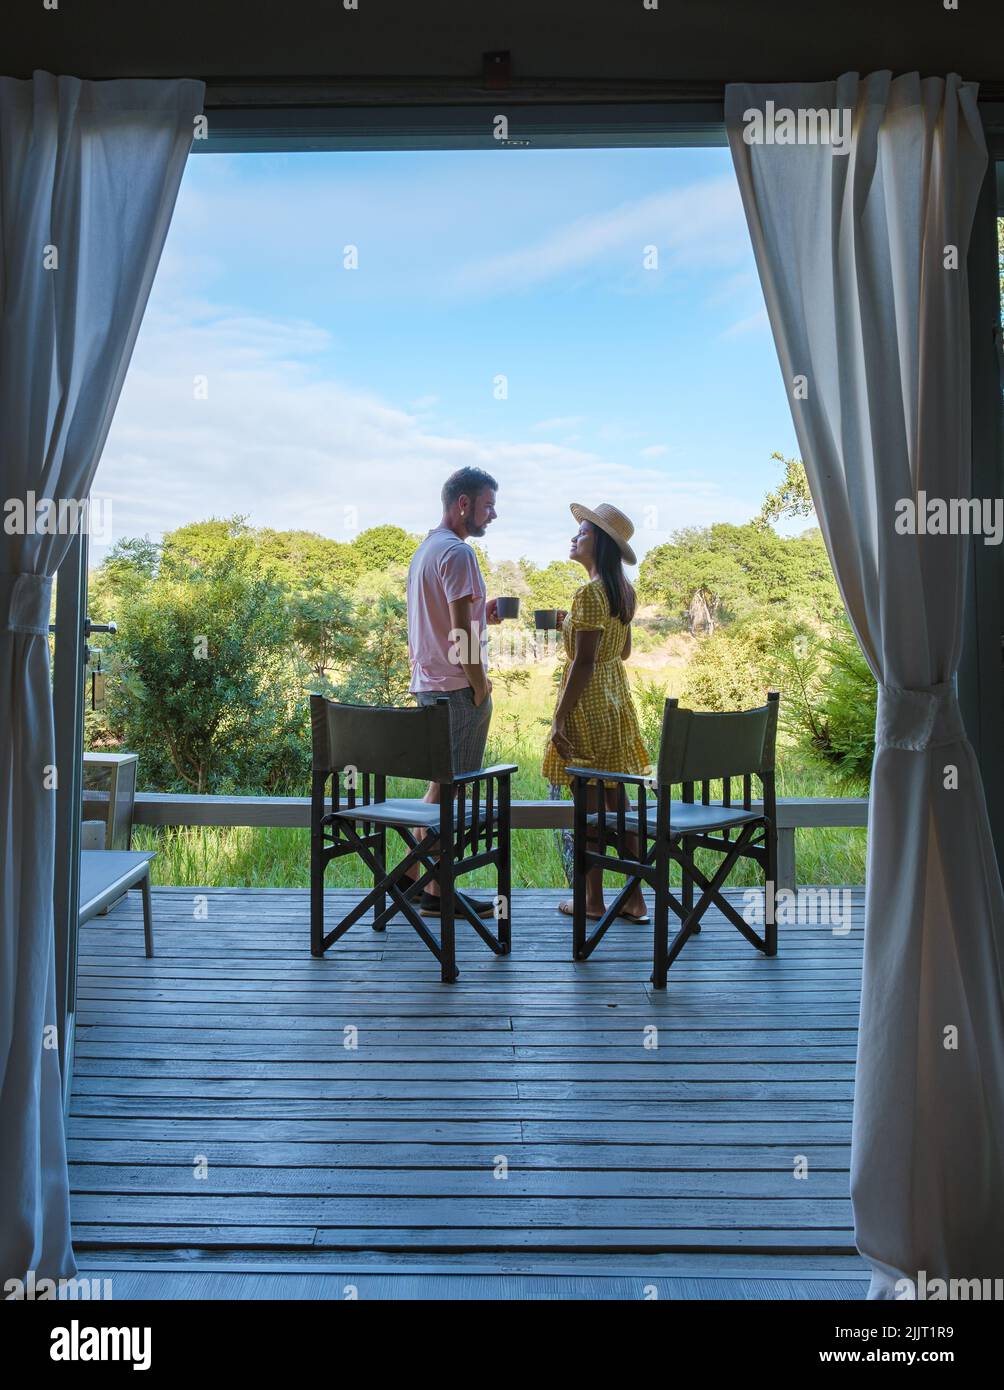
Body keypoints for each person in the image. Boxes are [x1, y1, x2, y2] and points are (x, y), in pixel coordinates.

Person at [543, 502, 651, 923]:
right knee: (618, 800)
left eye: (583, 532)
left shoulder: (588, 593)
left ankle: (592, 899)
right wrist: (570, 623)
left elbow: (582, 663)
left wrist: (558, 718)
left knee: (587, 805)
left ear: (600, 544)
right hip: (616, 700)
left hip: (587, 703)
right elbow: (620, 651)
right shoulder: (622, 591)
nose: (575, 537)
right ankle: (634, 898)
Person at [404, 466, 502, 917]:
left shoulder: (426, 550)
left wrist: (488, 612)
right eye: (487, 505)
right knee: (453, 791)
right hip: (458, 691)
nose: (493, 514)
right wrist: (480, 686)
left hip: (428, 687)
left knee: (441, 787)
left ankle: (414, 877)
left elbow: (445, 620)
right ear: (463, 504)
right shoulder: (459, 553)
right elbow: (461, 637)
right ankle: (438, 894)